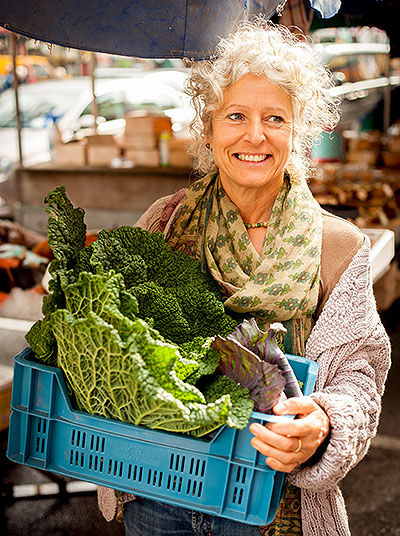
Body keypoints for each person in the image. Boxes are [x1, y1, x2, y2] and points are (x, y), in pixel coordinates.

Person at [97, 19, 391, 536]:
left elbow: (359, 376)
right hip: (158, 498)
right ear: (208, 128)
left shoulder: (338, 246)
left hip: (276, 509)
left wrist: (322, 424)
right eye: (236, 115)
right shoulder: (163, 225)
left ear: (299, 131)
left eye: (275, 118)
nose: (254, 135)